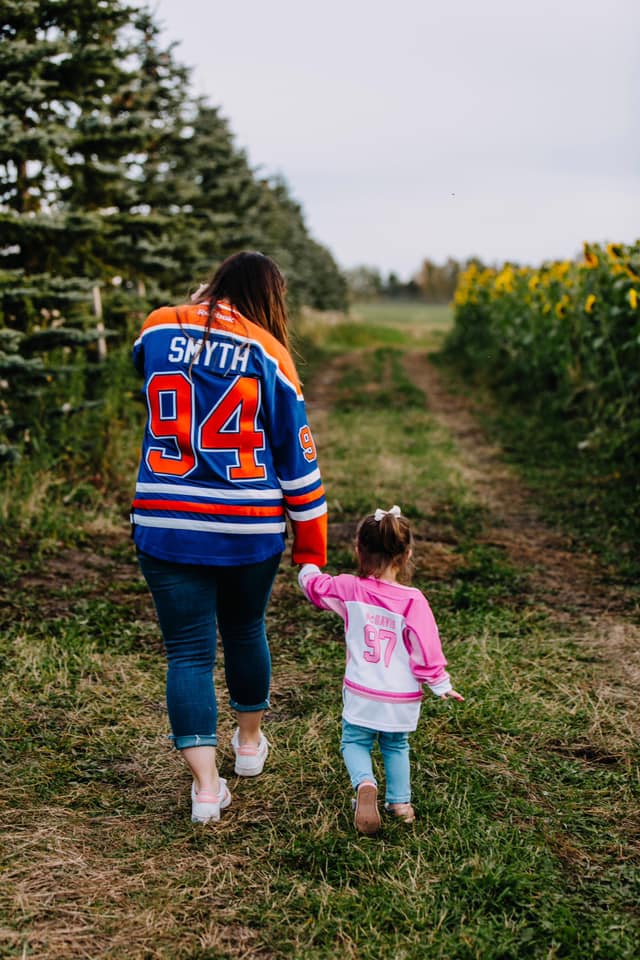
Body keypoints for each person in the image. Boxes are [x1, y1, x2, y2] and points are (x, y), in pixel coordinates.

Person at [131, 251, 327, 824]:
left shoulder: (160, 323)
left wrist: (193, 313)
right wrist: (310, 546)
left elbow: (142, 368)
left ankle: (206, 789)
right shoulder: (271, 353)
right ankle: (247, 745)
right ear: (270, 297)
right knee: (244, 628)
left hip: (166, 520)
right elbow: (298, 461)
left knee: (187, 652)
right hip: (249, 526)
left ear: (214, 284)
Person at [298, 505, 463, 834]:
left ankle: (364, 784)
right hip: (401, 697)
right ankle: (401, 803)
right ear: (407, 554)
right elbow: (426, 647)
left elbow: (313, 587)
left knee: (354, 742)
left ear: (358, 549)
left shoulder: (348, 588)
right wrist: (440, 683)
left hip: (362, 691)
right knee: (396, 745)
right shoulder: (414, 601)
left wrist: (307, 564)